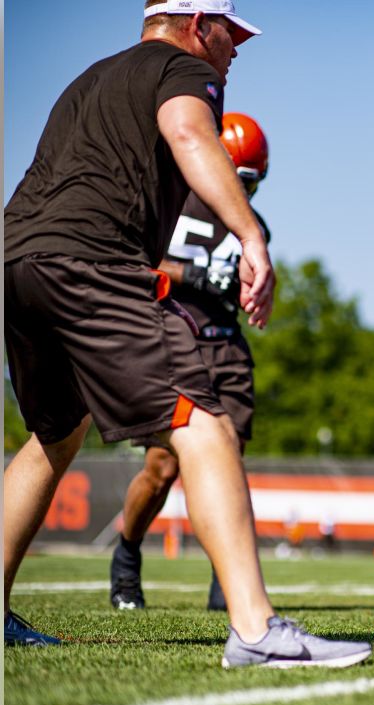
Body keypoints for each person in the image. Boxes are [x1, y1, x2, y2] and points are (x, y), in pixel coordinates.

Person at [3, 0, 369, 668]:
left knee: (55, 435)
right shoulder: (180, 69)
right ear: (198, 24)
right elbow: (191, 135)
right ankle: (257, 631)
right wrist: (250, 234)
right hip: (90, 258)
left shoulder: (89, 77)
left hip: (15, 256)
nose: (237, 48)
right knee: (204, 420)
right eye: (232, 33)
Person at [109, 112, 272, 613]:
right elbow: (133, 260)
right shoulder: (170, 205)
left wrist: (260, 289)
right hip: (175, 337)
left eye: (251, 182)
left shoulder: (252, 225)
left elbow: (258, 280)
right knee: (162, 465)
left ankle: (228, 578)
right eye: (236, 176)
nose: (241, 189)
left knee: (230, 464)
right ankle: (127, 556)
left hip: (227, 348)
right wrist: (195, 274)